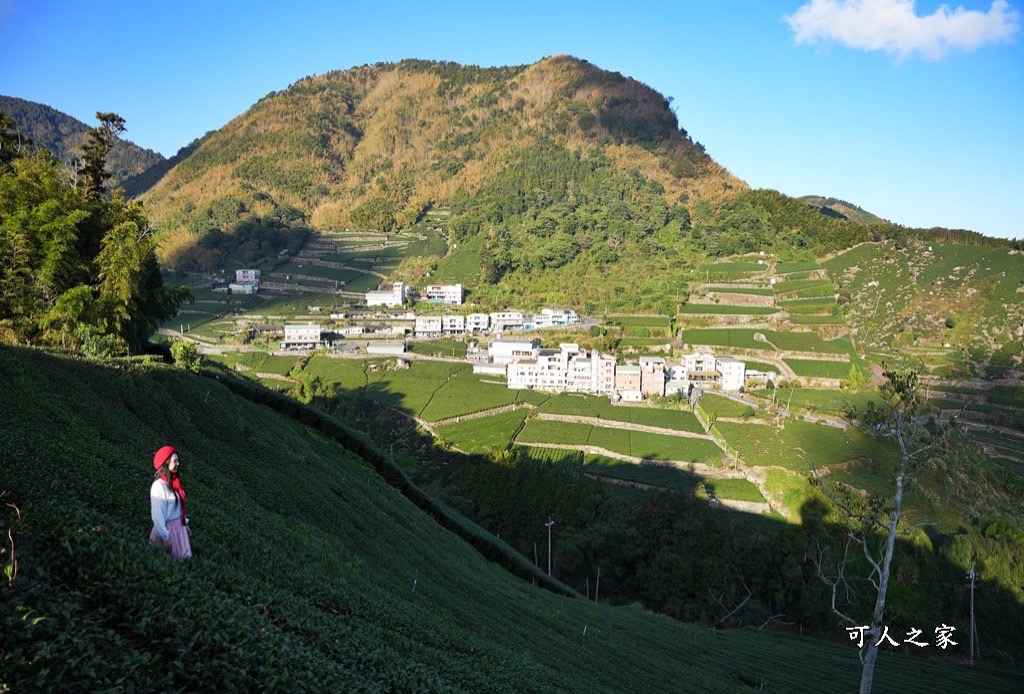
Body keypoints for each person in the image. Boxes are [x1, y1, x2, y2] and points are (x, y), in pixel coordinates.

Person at [150, 445, 192, 560]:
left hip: (178, 528)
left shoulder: (175, 483)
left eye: (178, 460)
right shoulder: (159, 486)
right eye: (175, 461)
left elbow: (179, 507)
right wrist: (165, 537)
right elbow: (158, 515)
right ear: (166, 462)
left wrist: (185, 524)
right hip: (166, 530)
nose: (178, 463)